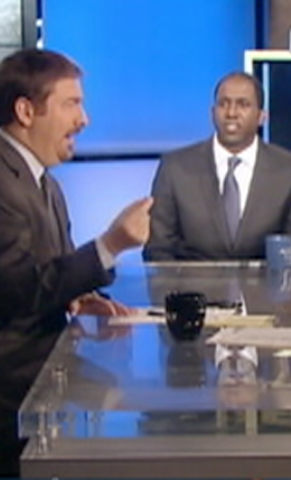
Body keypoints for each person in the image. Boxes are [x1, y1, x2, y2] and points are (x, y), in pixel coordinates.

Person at [0, 49, 152, 476]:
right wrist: (111, 244)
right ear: (26, 111)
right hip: (14, 393)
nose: (84, 120)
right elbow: (18, 291)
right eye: (72, 104)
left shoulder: (45, 182)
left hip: (47, 378)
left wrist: (82, 300)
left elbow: (51, 271)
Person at [143, 71, 291, 261]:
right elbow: (158, 250)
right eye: (223, 104)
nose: (231, 113)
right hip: (191, 281)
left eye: (243, 104)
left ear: (261, 116)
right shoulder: (175, 169)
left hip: (266, 281)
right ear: (212, 113)